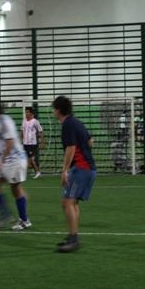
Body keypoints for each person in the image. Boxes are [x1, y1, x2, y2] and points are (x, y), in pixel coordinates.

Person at [53, 95, 95, 253]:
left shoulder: (68, 124)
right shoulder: (77, 122)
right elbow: (91, 142)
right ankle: (73, 236)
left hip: (81, 169)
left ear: (58, 110)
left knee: (67, 203)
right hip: (87, 168)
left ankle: (74, 239)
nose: (53, 112)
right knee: (72, 202)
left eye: (54, 109)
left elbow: (70, 148)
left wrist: (65, 170)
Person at [0, 101, 31, 230]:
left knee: (16, 189)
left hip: (15, 160)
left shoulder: (4, 121)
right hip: (8, 160)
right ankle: (6, 215)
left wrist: (1, 161)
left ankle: (24, 220)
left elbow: (10, 142)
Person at [21, 106, 45, 179]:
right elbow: (22, 131)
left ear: (31, 113)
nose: (26, 113)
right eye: (25, 112)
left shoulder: (35, 121)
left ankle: (36, 172)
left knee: (31, 159)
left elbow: (40, 131)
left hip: (32, 143)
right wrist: (20, 140)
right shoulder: (24, 121)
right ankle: (35, 171)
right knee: (28, 159)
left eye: (27, 112)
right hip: (25, 143)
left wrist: (42, 142)